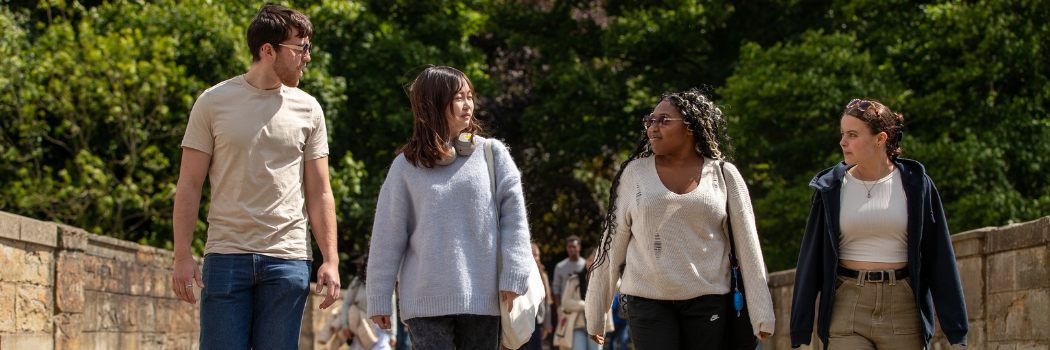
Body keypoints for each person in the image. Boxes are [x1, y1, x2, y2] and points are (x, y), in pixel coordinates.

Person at [170, 5, 340, 349]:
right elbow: (189, 183)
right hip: (225, 256)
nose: (307, 58)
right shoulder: (212, 102)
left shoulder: (309, 109)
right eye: (300, 48)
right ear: (268, 50)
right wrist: (181, 256)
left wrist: (331, 259)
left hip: (288, 259)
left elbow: (320, 190)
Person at [585, 89, 775, 349]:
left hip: (709, 300)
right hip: (646, 302)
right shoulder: (634, 174)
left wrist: (762, 313)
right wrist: (596, 313)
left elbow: (748, 247)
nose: (653, 127)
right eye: (649, 120)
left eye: (663, 120)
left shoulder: (723, 175)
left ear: (690, 126)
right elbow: (611, 244)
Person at [365, 66, 533, 350]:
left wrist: (514, 274)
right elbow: (386, 237)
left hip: (483, 299)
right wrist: (379, 297)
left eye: (470, 96)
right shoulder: (405, 166)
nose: (468, 104)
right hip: (423, 303)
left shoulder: (493, 154)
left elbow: (514, 220)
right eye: (458, 97)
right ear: (432, 103)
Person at [789, 99, 968, 349]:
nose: (843, 142)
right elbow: (811, 258)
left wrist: (956, 329)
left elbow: (939, 255)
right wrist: (801, 328)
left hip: (903, 306)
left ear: (880, 138)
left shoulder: (916, 185)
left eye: (852, 135)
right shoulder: (830, 188)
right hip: (847, 305)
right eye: (843, 134)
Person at [556, 248, 613, 350]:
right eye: (589, 260)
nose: (591, 263)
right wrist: (584, 305)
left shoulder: (605, 281)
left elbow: (615, 290)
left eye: (595, 260)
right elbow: (565, 302)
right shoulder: (574, 279)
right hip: (578, 325)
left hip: (597, 326)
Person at [340, 254, 397, 350]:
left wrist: (393, 334)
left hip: (381, 330)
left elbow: (392, 308)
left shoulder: (387, 283)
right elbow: (346, 303)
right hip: (360, 329)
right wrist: (345, 325)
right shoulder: (357, 282)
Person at [519, 243, 554, 350]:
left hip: (536, 323)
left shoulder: (543, 275)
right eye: (532, 254)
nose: (534, 257)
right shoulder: (517, 274)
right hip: (519, 322)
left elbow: (547, 301)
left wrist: (546, 325)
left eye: (537, 255)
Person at [552, 235, 585, 329]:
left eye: (574, 246)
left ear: (579, 247)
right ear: (566, 248)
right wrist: (559, 308)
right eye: (569, 247)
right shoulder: (560, 266)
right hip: (566, 307)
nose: (572, 249)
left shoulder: (586, 265)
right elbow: (556, 289)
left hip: (582, 307)